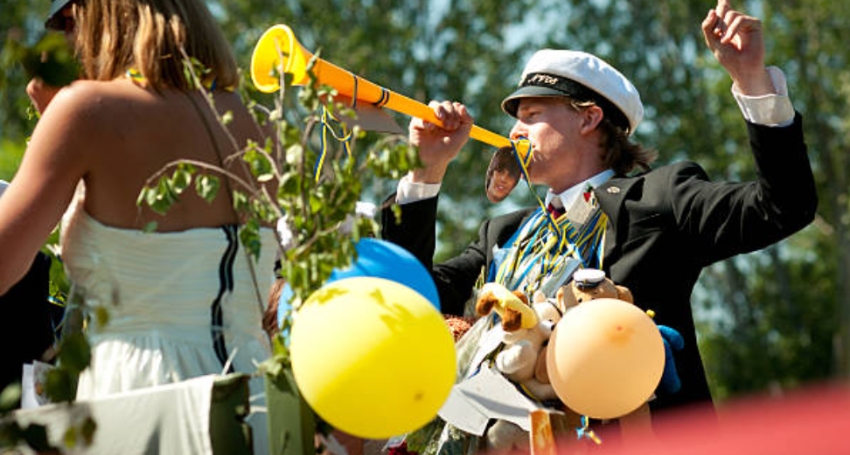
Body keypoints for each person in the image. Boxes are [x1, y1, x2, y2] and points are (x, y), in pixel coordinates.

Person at [381, 0, 817, 444]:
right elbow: (407, 298)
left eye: (532, 116)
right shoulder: (503, 234)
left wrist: (752, 81)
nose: (515, 132)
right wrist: (424, 173)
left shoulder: (655, 201)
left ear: (589, 118)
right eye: (515, 120)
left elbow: (782, 206)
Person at [0, 0, 277, 453]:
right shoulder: (259, 126)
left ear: (97, 16)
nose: (60, 40)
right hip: (253, 405)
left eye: (63, 22)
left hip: (140, 398)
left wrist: (55, 122)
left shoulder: (87, 112)